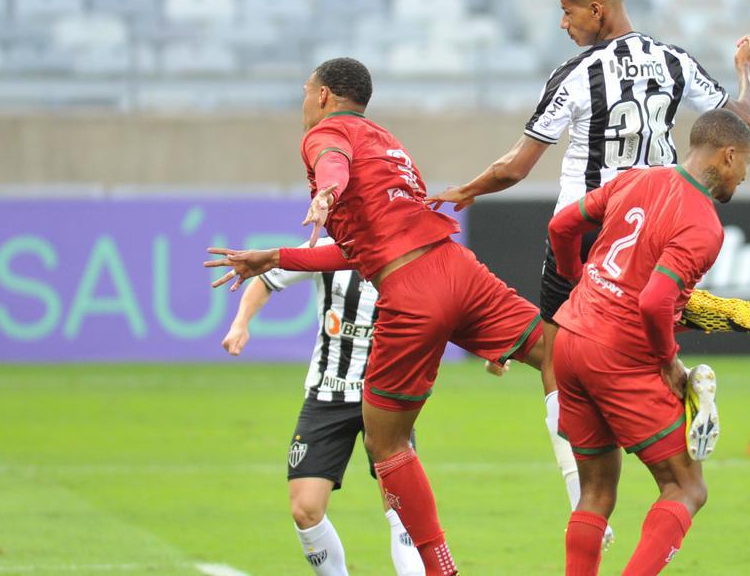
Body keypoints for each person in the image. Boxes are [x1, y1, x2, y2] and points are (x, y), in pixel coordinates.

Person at [428, 0, 750, 530]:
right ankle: (680, 378)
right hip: (655, 232)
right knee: (639, 340)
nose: (564, 24)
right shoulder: (674, 60)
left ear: (597, 10)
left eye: (567, 12)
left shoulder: (577, 73)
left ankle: (588, 506)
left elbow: (515, 166)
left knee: (562, 367)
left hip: (589, 232)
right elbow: (741, 123)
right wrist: (745, 71)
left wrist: (468, 189)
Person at [205, 57, 547, 576]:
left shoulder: (327, 133)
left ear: (322, 96)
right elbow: (361, 248)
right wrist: (274, 256)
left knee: (386, 442)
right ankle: (659, 383)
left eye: (305, 91)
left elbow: (331, 159)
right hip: (454, 265)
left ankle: (441, 568)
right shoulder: (387, 142)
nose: (303, 102)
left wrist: (325, 191)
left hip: (410, 294)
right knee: (558, 353)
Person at [547, 108, 750, 576]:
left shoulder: (637, 179)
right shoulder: (704, 223)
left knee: (596, 491)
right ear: (728, 155)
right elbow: (654, 300)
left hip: (570, 340)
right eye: (746, 164)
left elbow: (561, 227)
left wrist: (574, 278)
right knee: (686, 487)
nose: (743, 178)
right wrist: (669, 363)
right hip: (619, 355)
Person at [219, 237, 423, 576]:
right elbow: (267, 278)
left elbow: (448, 302)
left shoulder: (407, 252)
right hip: (328, 395)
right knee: (305, 508)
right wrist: (240, 323)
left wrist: (492, 351)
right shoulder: (330, 249)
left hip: (386, 397)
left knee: (402, 507)